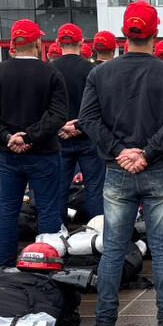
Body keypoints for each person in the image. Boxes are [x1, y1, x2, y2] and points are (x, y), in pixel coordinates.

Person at [77, 0, 163, 326]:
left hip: (118, 170)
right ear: (156, 32)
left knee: (113, 248)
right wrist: (147, 154)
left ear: (125, 32)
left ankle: (105, 324)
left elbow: (89, 120)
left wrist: (121, 152)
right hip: (158, 169)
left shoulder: (99, 73)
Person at [0, 20, 69, 267]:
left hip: (8, 155)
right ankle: (46, 263)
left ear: (13, 44)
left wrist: (8, 137)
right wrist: (29, 136)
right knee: (48, 210)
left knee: (7, 210)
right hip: (44, 153)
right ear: (38, 43)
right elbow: (58, 114)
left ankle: (4, 264)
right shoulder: (51, 73)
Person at [51, 24, 105, 221]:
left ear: (58, 43)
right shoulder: (92, 70)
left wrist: (61, 126)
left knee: (59, 189)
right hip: (88, 137)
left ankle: (57, 232)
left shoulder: (49, 70)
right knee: (95, 189)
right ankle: (97, 232)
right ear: (82, 43)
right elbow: (101, 105)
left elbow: (44, 107)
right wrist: (80, 125)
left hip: (58, 138)